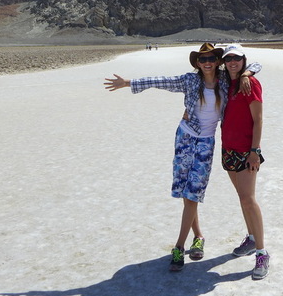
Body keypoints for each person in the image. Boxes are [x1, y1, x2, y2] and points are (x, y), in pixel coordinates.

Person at [104, 43, 261, 272]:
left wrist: (247, 72)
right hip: (185, 138)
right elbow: (161, 81)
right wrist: (128, 83)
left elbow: (255, 64)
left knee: (194, 192)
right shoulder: (189, 80)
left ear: (218, 61)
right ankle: (198, 235)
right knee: (185, 191)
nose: (207, 62)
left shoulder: (226, 80)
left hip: (206, 143)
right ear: (197, 63)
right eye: (202, 59)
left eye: (211, 58)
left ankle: (179, 246)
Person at [220, 43, 269, 280]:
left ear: (243, 60)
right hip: (228, 149)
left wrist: (254, 151)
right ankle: (250, 239)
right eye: (228, 59)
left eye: (237, 59)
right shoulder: (227, 82)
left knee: (249, 199)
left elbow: (258, 120)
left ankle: (262, 252)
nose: (232, 63)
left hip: (246, 151)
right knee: (242, 198)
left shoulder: (250, 84)